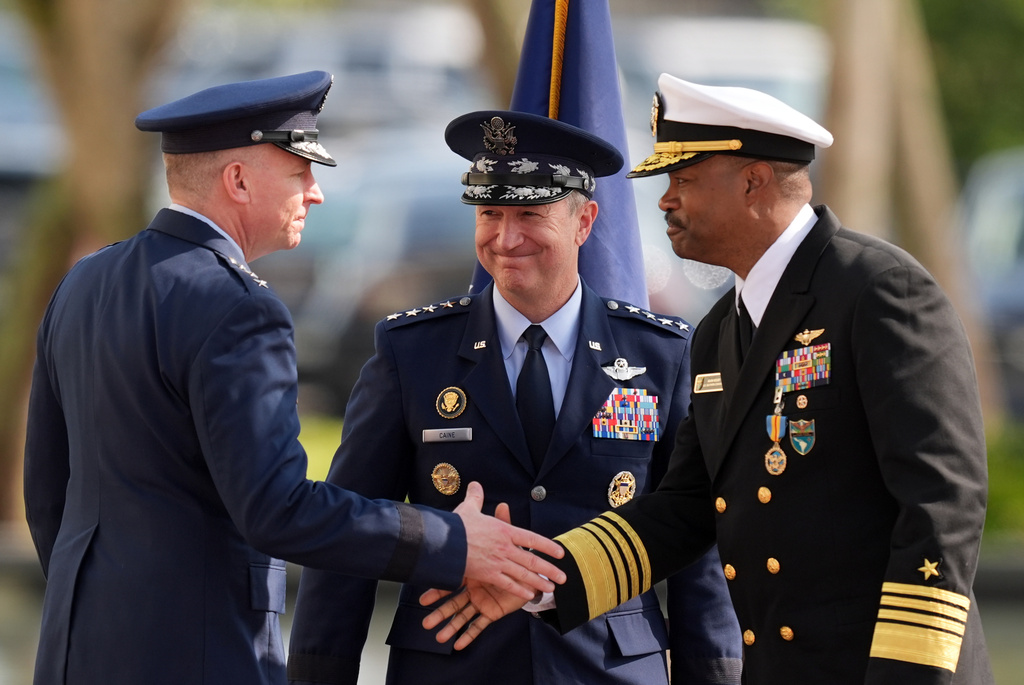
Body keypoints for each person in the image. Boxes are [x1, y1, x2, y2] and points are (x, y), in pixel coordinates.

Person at [422, 75, 995, 685]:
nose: (665, 201)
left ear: (752, 181)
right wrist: (537, 581)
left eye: (684, 180)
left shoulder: (878, 290)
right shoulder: (724, 324)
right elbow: (685, 507)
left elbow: (942, 504)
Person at [22, 72, 566, 685]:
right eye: (300, 172)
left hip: (75, 652)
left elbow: (47, 495)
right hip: (201, 657)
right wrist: (453, 541)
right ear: (237, 180)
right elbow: (277, 509)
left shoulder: (85, 282)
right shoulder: (238, 307)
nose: (316, 193)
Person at [286, 110, 742, 685]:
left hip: (608, 668)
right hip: (452, 666)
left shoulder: (662, 355)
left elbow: (698, 548)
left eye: (530, 213)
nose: (506, 238)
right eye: (490, 214)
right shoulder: (412, 353)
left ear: (585, 221)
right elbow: (350, 538)